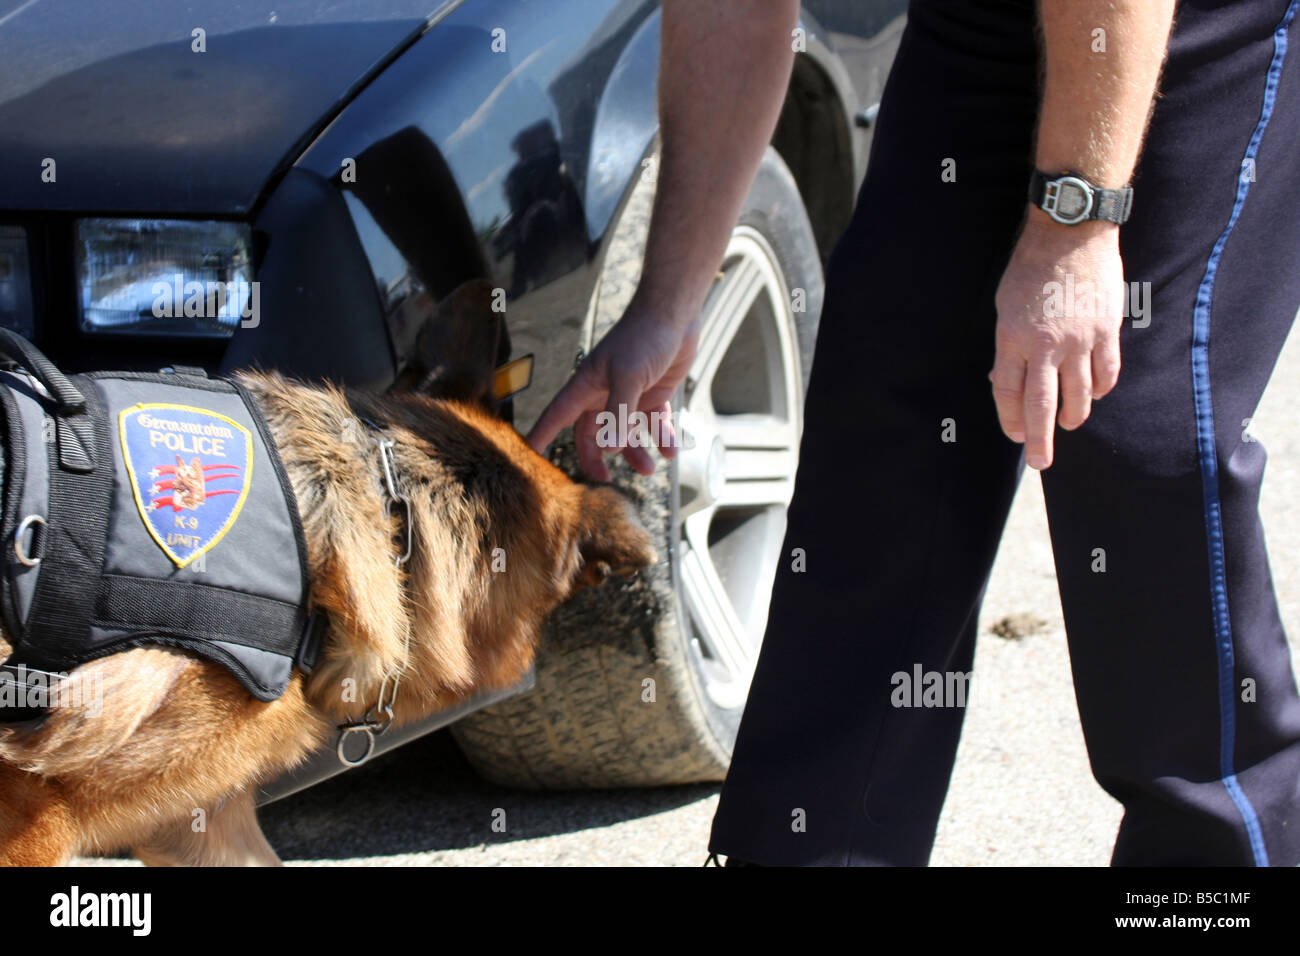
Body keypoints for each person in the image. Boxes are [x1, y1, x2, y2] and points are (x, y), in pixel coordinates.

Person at [528, 0, 1300, 866]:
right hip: (979, 29)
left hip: (1211, 22)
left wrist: (1073, 228)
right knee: (886, 429)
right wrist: (668, 301)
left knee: (1133, 432)